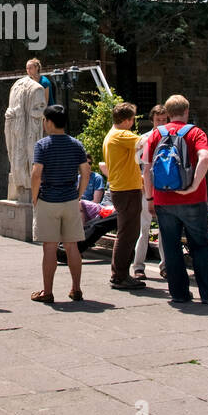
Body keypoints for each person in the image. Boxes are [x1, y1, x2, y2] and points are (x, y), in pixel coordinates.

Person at [144, 94, 208, 304]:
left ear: (167, 113)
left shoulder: (156, 134)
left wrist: (150, 198)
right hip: (193, 199)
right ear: (186, 111)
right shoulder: (195, 133)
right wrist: (194, 184)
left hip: (164, 200)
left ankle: (179, 294)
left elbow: (147, 169)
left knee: (171, 247)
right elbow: (205, 157)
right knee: (200, 246)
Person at [30, 104, 90, 303]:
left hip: (48, 199)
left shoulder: (42, 145)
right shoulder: (76, 144)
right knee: (72, 246)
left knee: (49, 247)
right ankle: (76, 289)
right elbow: (86, 172)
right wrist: (78, 194)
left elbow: (36, 173)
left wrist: (34, 197)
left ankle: (47, 292)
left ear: (48, 121)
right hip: (70, 199)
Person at [103, 101, 145, 290]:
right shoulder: (121, 135)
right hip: (126, 190)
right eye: (132, 119)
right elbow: (144, 142)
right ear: (128, 120)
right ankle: (119, 275)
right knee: (128, 233)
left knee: (128, 232)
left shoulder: (113, 135)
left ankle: (121, 273)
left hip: (123, 188)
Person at [134, 103, 170, 280]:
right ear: (152, 120)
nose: (161, 123)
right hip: (146, 184)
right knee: (144, 227)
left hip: (166, 185)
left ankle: (165, 266)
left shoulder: (171, 137)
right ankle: (138, 266)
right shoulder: (144, 138)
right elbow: (136, 161)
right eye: (158, 120)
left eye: (164, 120)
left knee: (165, 228)